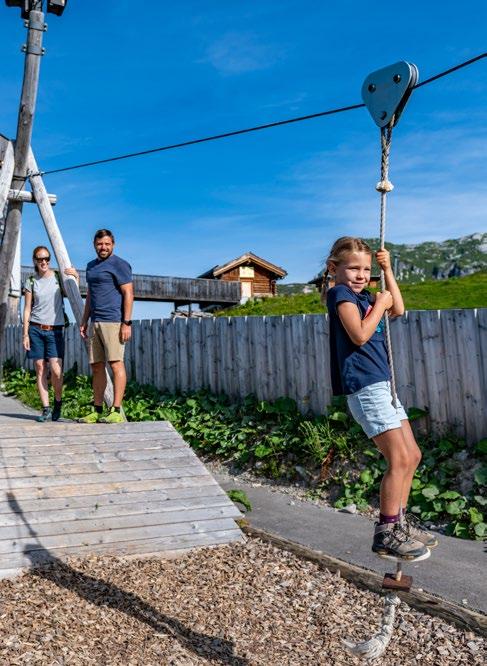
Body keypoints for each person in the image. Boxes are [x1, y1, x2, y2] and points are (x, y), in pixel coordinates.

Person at [325, 236, 438, 561]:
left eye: (366, 269)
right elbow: (360, 334)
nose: (361, 275)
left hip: (383, 385)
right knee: (398, 459)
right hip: (365, 387)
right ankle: (387, 533)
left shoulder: (364, 297)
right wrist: (379, 305)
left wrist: (387, 271)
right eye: (353, 268)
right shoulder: (340, 294)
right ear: (334, 268)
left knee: (412, 455)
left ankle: (399, 523)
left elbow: (398, 309)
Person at [78, 229, 134, 424]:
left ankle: (116, 410)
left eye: (107, 244)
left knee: (116, 364)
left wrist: (126, 323)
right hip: (95, 322)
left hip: (114, 322)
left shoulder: (120, 264)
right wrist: (84, 320)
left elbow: (128, 293)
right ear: (94, 245)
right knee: (96, 367)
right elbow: (90, 296)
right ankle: (97, 410)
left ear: (113, 245)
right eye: (100, 244)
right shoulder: (90, 267)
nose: (103, 247)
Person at [22, 245, 78, 422]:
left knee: (56, 369)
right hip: (35, 329)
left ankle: (58, 402)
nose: (44, 262)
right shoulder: (31, 281)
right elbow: (27, 309)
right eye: (40, 259)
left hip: (55, 330)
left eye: (46, 258)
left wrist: (75, 277)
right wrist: (25, 334)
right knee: (40, 368)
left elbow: (73, 293)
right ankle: (46, 409)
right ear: (35, 260)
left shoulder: (58, 277)